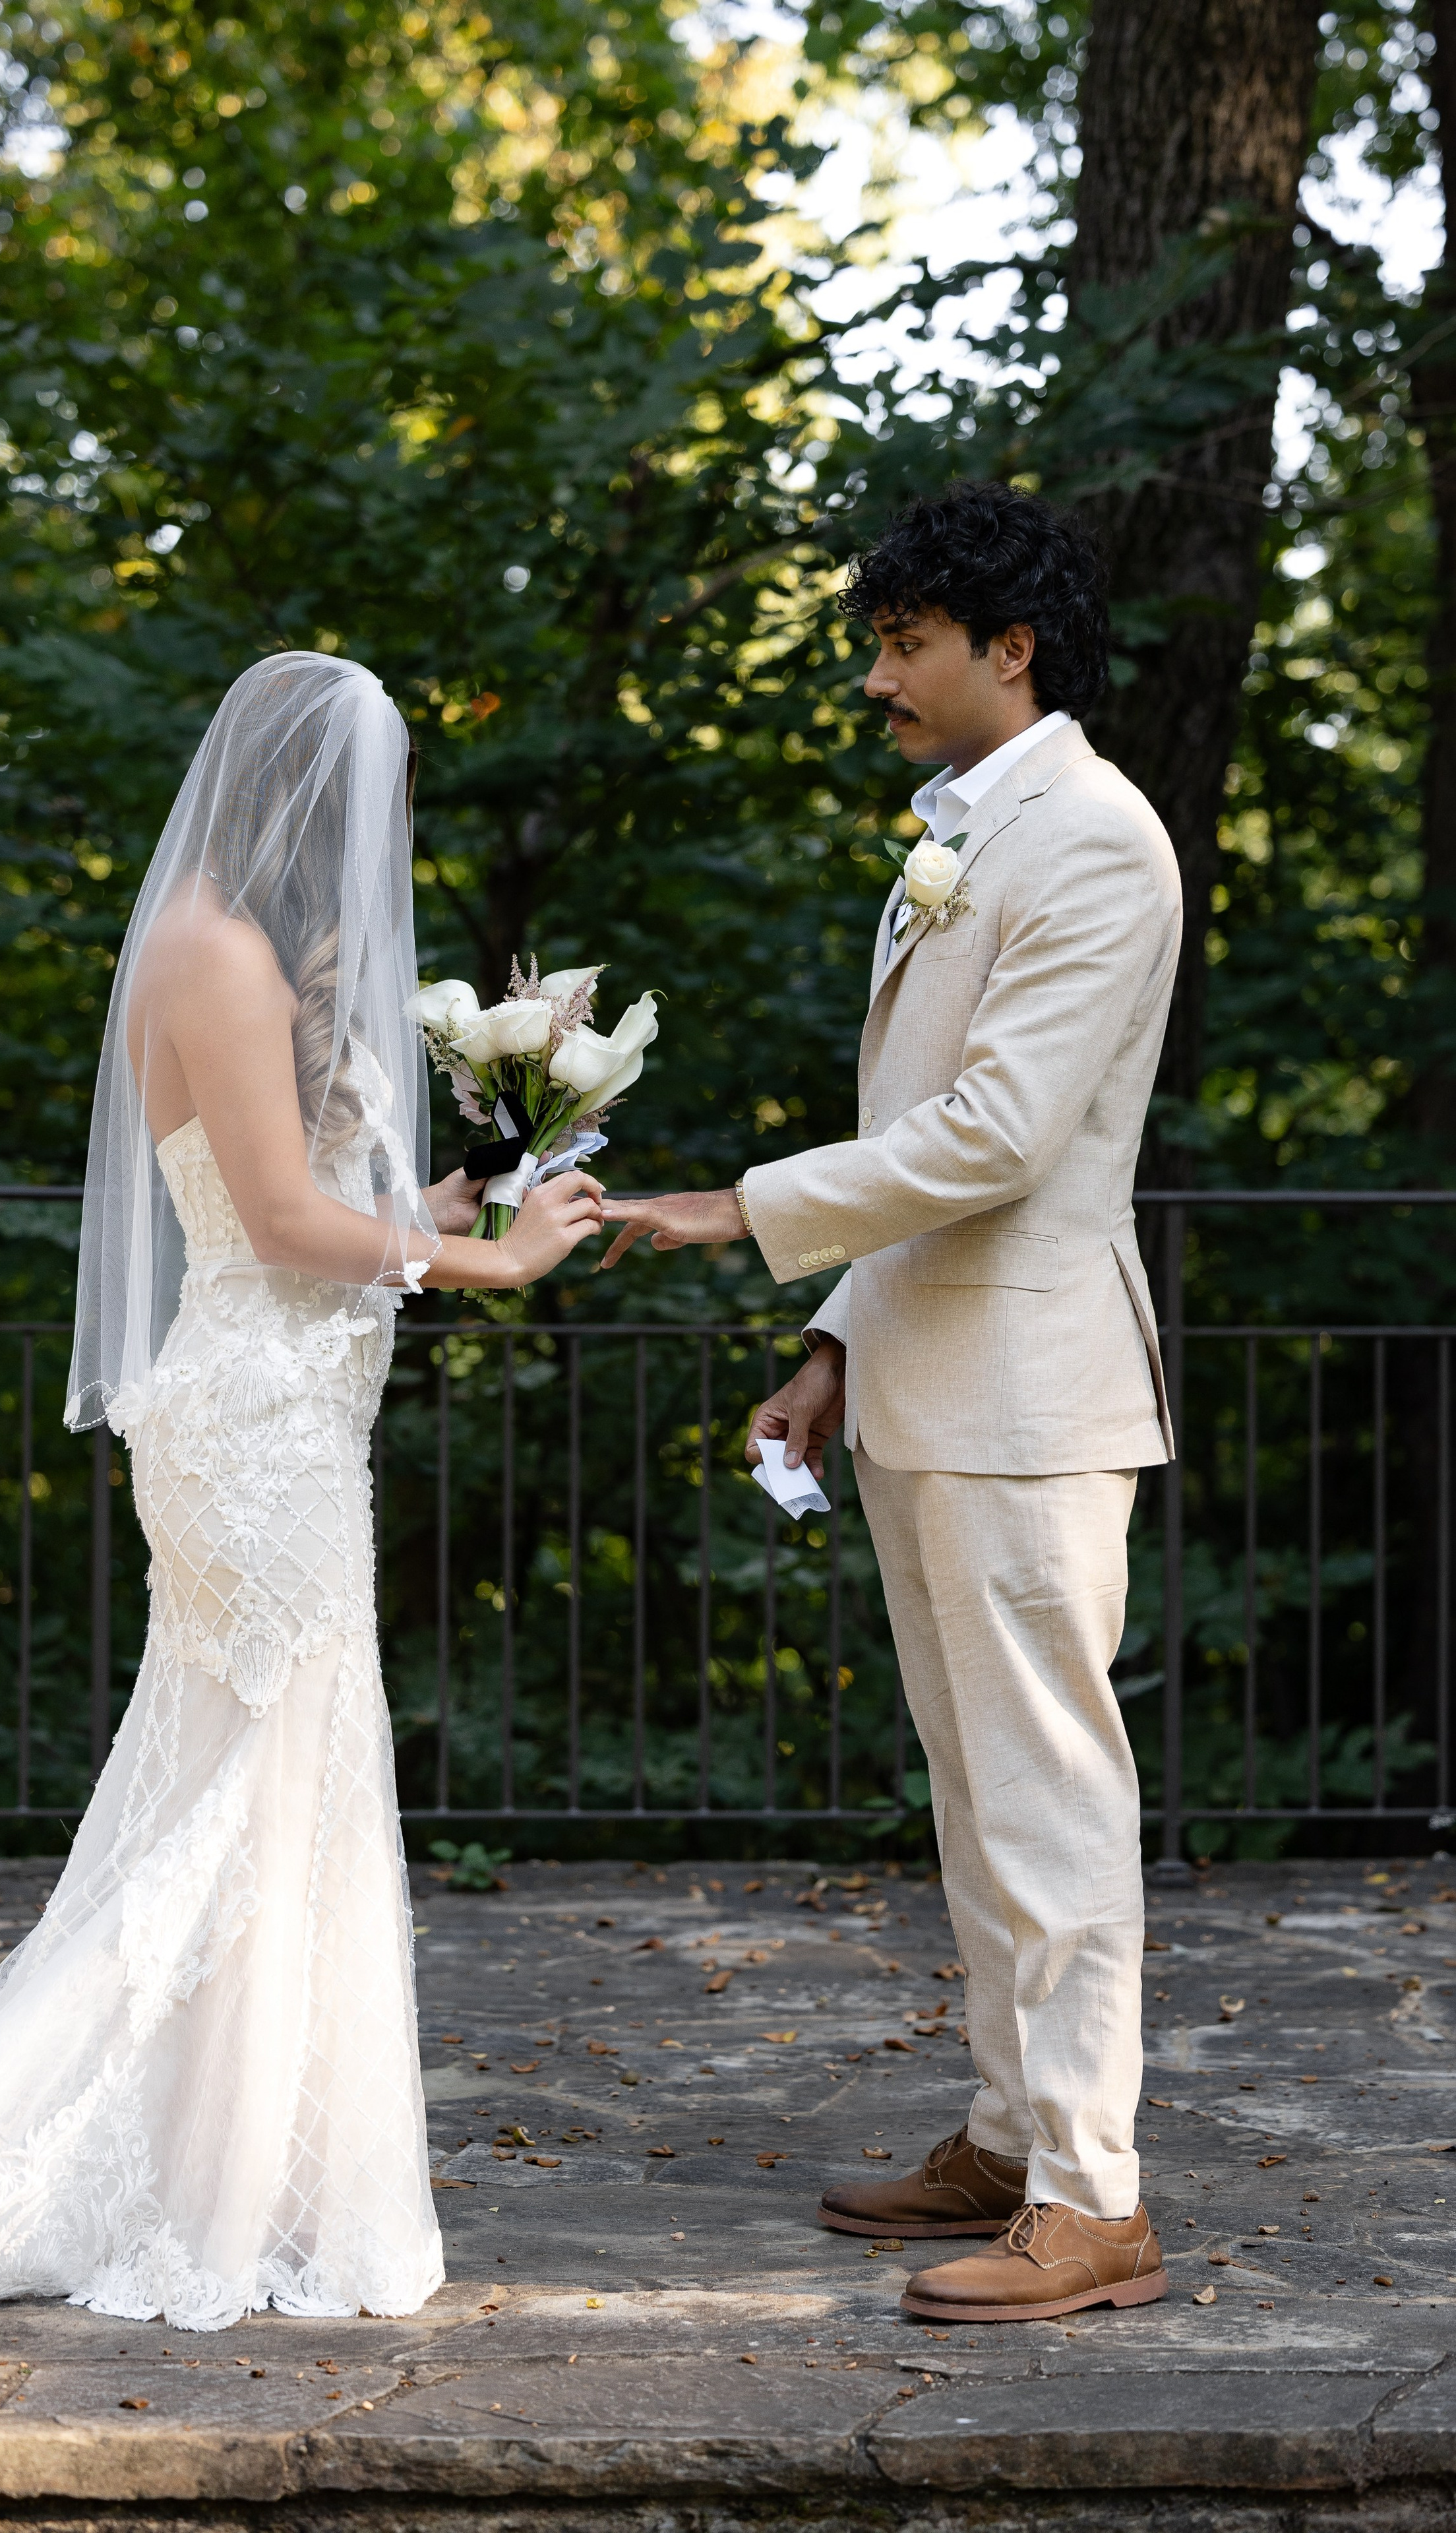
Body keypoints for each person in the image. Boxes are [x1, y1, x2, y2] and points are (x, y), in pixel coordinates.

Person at [0, 652, 601, 2327]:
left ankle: (243, 2167)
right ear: (304, 789)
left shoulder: (245, 952)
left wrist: (470, 1187)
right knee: (250, 1799)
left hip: (292, 1420)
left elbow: (295, 1201)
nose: (388, 824)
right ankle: (184, 2181)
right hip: (248, 1433)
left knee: (269, 1794)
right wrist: (486, 1268)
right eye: (371, 791)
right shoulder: (214, 947)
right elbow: (286, 1235)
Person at [600, 480, 1180, 2325]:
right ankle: (1015, 2137)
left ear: (1012, 649)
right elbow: (930, 1146)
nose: (878, 677)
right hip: (932, 1378)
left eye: (904, 641)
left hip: (1031, 1394)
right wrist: (839, 1340)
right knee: (973, 1795)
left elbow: (1002, 1138)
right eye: (878, 640)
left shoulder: (1093, 838)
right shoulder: (965, 831)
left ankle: (1095, 2203)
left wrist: (729, 1212)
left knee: (1050, 1800)